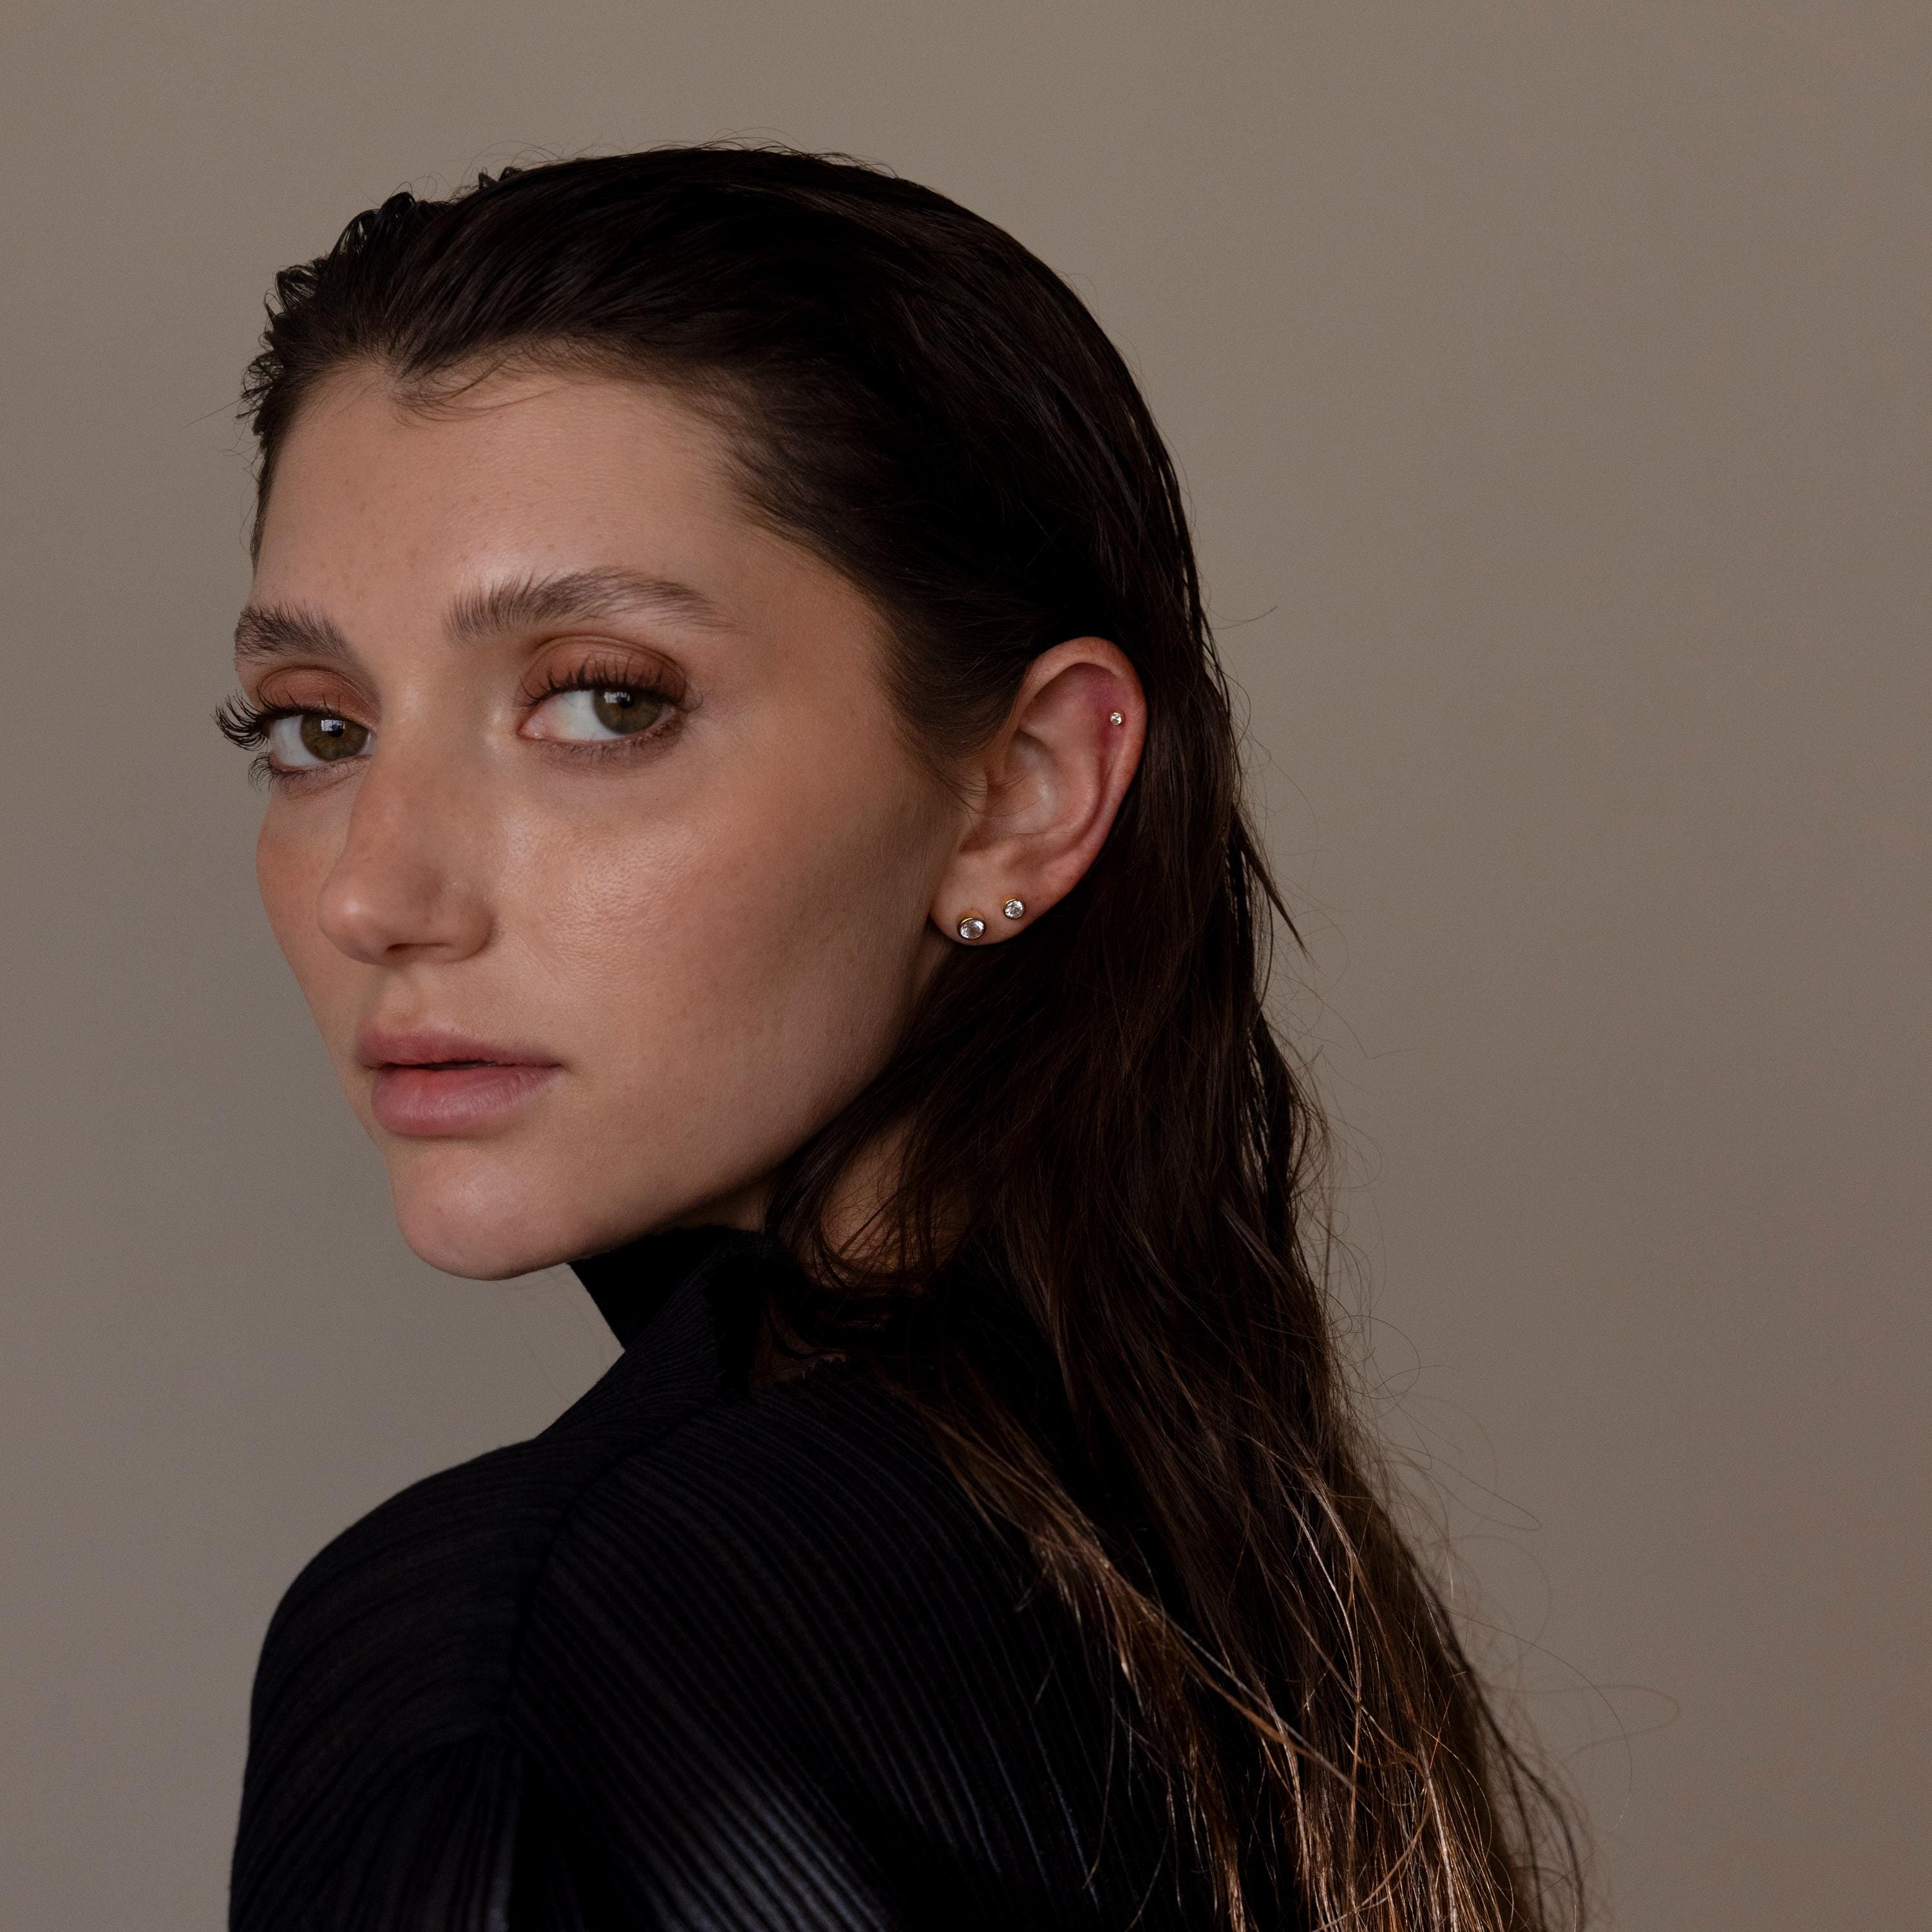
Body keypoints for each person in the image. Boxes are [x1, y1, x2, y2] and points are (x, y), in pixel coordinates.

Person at [220, 144, 1582, 1932]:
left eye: (603, 701)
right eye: (316, 729)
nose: (376, 894)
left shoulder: (527, 1646)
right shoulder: (1213, 1560)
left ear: (1021, 791)